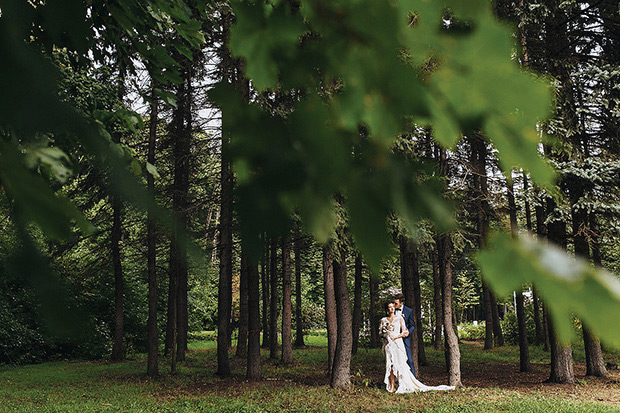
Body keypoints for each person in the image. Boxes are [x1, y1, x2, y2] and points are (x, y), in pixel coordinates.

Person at [380, 302, 455, 393]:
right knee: (390, 365)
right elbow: (380, 332)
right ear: (387, 309)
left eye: (393, 307)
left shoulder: (399, 318)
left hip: (397, 343)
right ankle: (392, 386)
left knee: (400, 364)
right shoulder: (384, 320)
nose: (392, 308)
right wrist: (386, 334)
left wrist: (396, 336)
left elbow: (405, 332)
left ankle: (403, 383)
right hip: (389, 344)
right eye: (389, 307)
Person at [393, 293, 415, 377]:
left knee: (409, 360)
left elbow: (412, 325)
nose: (394, 305)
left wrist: (408, 332)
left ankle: (413, 379)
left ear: (401, 303)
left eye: (396, 303)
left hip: (405, 338)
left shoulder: (409, 311)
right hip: (394, 338)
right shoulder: (392, 310)